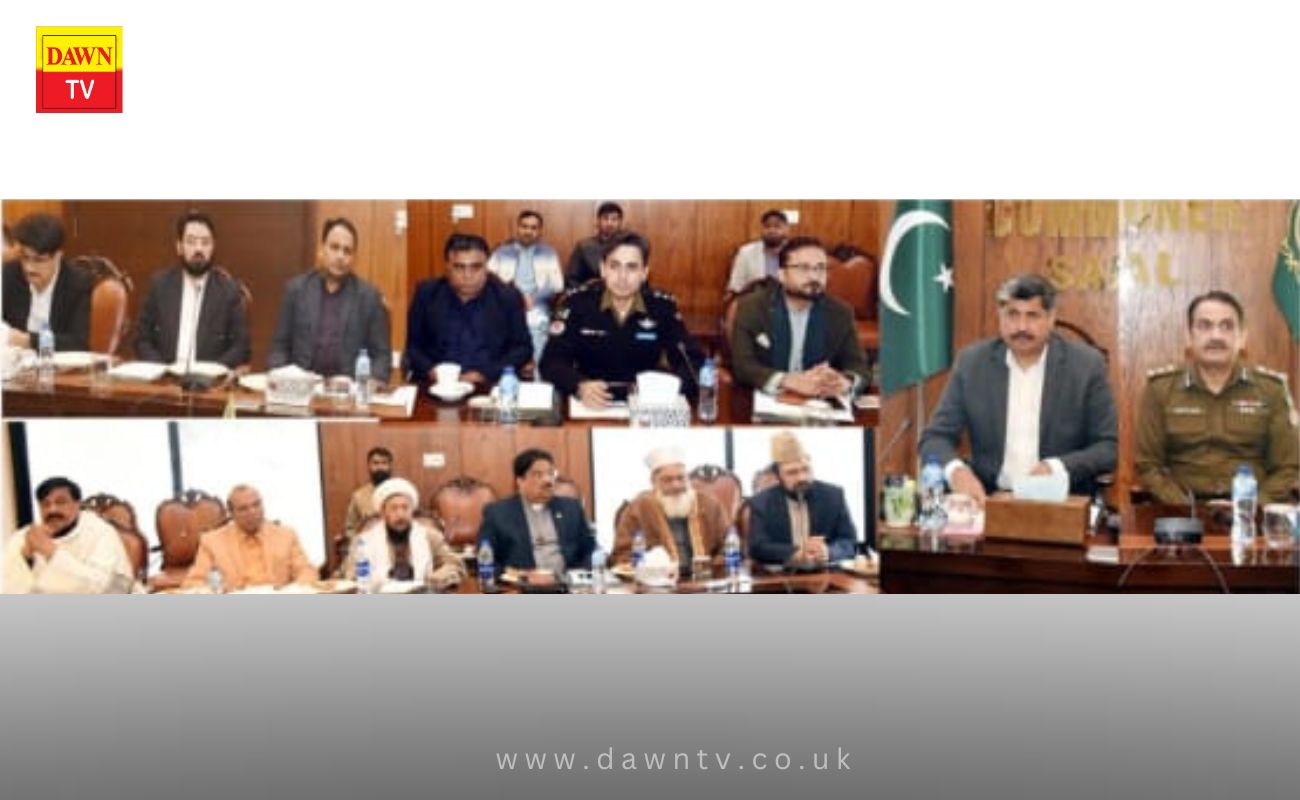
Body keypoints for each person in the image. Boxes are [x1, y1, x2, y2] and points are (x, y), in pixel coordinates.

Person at [918, 273, 1118, 503]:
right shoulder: (972, 364)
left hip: (1062, 503)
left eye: (1032, 316)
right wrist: (956, 472)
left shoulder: (1086, 366)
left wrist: (1057, 467)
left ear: (1051, 318)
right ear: (1000, 316)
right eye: (1012, 315)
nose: (1022, 327)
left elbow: (1107, 448)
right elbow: (935, 437)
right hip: (989, 499)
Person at [1136, 290, 1298, 505]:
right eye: (1205, 326)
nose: (1216, 336)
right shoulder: (1161, 389)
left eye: (1227, 326)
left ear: (1242, 337)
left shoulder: (1271, 389)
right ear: (1189, 337)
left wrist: (1249, 509)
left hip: (1253, 510)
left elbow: (1288, 467)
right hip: (1181, 510)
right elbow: (1148, 465)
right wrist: (1187, 510)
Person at [540, 230, 704, 408]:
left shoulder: (661, 308)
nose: (622, 277)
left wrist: (666, 390)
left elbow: (693, 363)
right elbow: (551, 361)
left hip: (645, 405)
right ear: (603, 269)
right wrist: (578, 385)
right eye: (614, 266)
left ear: (644, 273)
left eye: (631, 267)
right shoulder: (577, 304)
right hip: (589, 404)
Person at [729, 235, 870, 397]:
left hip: (821, 403)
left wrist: (845, 382)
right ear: (782, 275)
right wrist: (787, 380)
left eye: (820, 268)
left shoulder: (840, 312)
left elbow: (860, 367)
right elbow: (743, 366)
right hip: (767, 400)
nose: (814, 277)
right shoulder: (752, 307)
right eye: (803, 268)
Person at [268, 217, 392, 380]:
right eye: (334, 247)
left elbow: (382, 357)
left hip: (349, 389)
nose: (340, 256)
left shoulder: (369, 297)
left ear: (354, 258)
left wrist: (367, 385)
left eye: (347, 251)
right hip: (303, 386)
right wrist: (284, 379)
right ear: (322, 250)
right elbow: (279, 348)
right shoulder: (296, 290)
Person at [405, 233, 531, 384]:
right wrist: (430, 371)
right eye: (459, 267)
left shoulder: (507, 297)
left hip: (489, 385)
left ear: (486, 267)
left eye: (476, 267)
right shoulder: (427, 294)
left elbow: (523, 348)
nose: (468, 275)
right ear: (447, 267)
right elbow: (413, 347)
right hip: (436, 384)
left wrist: (485, 374)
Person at [134, 210, 251, 368]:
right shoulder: (160, 285)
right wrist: (162, 370)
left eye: (205, 242)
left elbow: (241, 347)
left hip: (209, 380)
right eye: (191, 241)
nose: (198, 249)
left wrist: (213, 371)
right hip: (165, 376)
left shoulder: (229, 291)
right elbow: (141, 340)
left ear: (213, 247)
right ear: (179, 247)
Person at [4, 477, 134, 594]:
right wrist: (27, 557)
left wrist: (51, 552)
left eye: (60, 502)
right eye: (45, 504)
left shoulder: (101, 532)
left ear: (78, 504)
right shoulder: (24, 537)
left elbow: (110, 589)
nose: (52, 509)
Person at [747, 433, 858, 565]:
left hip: (826, 572)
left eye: (806, 469)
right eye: (792, 472)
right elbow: (757, 547)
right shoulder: (761, 502)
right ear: (778, 476)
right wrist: (795, 554)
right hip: (782, 573)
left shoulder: (833, 496)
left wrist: (828, 552)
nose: (802, 478)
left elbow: (849, 542)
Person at [479, 449, 595, 575]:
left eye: (550, 473)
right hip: (522, 584)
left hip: (567, 583)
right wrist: (522, 576)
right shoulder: (497, 514)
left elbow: (590, 549)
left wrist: (576, 576)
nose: (547, 480)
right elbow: (486, 561)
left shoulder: (571, 509)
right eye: (538, 475)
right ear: (520, 481)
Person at [611, 446, 730, 568]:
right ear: (653, 482)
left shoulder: (710, 505)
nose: (676, 486)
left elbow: (729, 546)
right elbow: (622, 555)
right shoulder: (638, 509)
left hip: (705, 576)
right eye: (667, 480)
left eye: (681, 478)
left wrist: (712, 565)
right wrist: (651, 566)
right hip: (656, 578)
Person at [182, 485, 318, 590]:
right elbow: (193, 582)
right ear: (231, 513)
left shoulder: (286, 535)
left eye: (256, 505)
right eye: (243, 509)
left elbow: (307, 572)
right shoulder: (212, 541)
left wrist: (292, 591)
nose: (253, 512)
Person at [346, 478, 465, 591]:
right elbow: (352, 576)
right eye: (394, 508)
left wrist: (443, 573)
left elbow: (454, 563)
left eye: (405, 508)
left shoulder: (430, 537)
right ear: (383, 513)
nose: (400, 514)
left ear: (412, 511)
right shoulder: (364, 541)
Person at [2, 212, 92, 351]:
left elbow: (77, 343)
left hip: (56, 362)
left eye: (38, 260)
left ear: (58, 255)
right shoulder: (9, 275)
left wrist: (28, 341)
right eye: (25, 257)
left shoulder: (78, 284)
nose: (29, 268)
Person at [488, 210, 566, 362]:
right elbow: (487, 277)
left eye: (533, 228)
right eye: (524, 226)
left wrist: (533, 298)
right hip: (506, 305)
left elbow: (558, 285)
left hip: (536, 306)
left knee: (537, 329)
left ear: (540, 231)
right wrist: (514, 295)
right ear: (518, 228)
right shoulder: (502, 252)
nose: (528, 231)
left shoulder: (548, 253)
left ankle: (537, 371)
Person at [725, 208, 790, 292]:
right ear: (761, 229)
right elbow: (735, 285)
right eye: (767, 226)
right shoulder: (746, 252)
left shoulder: (795, 252)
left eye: (777, 226)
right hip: (754, 298)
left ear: (786, 229)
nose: (772, 230)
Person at [564, 201, 624, 288]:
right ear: (598, 221)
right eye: (605, 218)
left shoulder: (629, 247)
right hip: (591, 293)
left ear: (620, 222)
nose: (609, 223)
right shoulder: (584, 247)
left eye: (614, 219)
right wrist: (587, 289)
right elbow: (571, 279)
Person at [344, 446, 394, 541]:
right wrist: (361, 543)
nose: (380, 467)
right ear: (369, 466)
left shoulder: (402, 491)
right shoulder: (358, 496)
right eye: (375, 463)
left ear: (390, 466)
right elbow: (350, 529)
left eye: (384, 463)